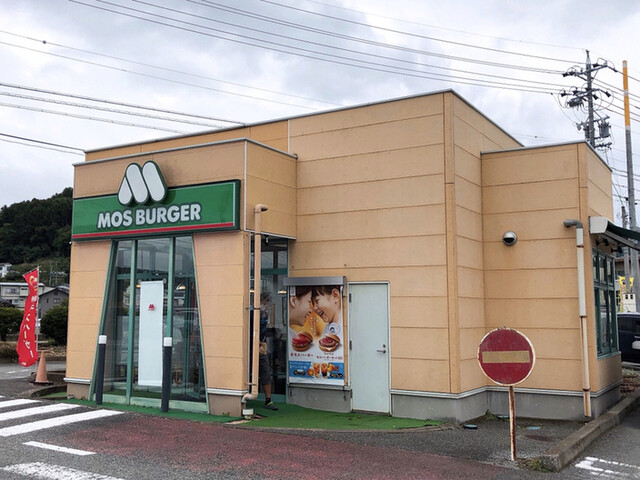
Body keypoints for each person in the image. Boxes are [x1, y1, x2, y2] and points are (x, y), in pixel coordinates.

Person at [259, 290, 278, 411]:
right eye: (263, 302)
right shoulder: (250, 312)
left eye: (266, 302)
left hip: (261, 346)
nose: (264, 304)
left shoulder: (265, 315)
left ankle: (268, 400)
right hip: (248, 346)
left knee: (265, 371)